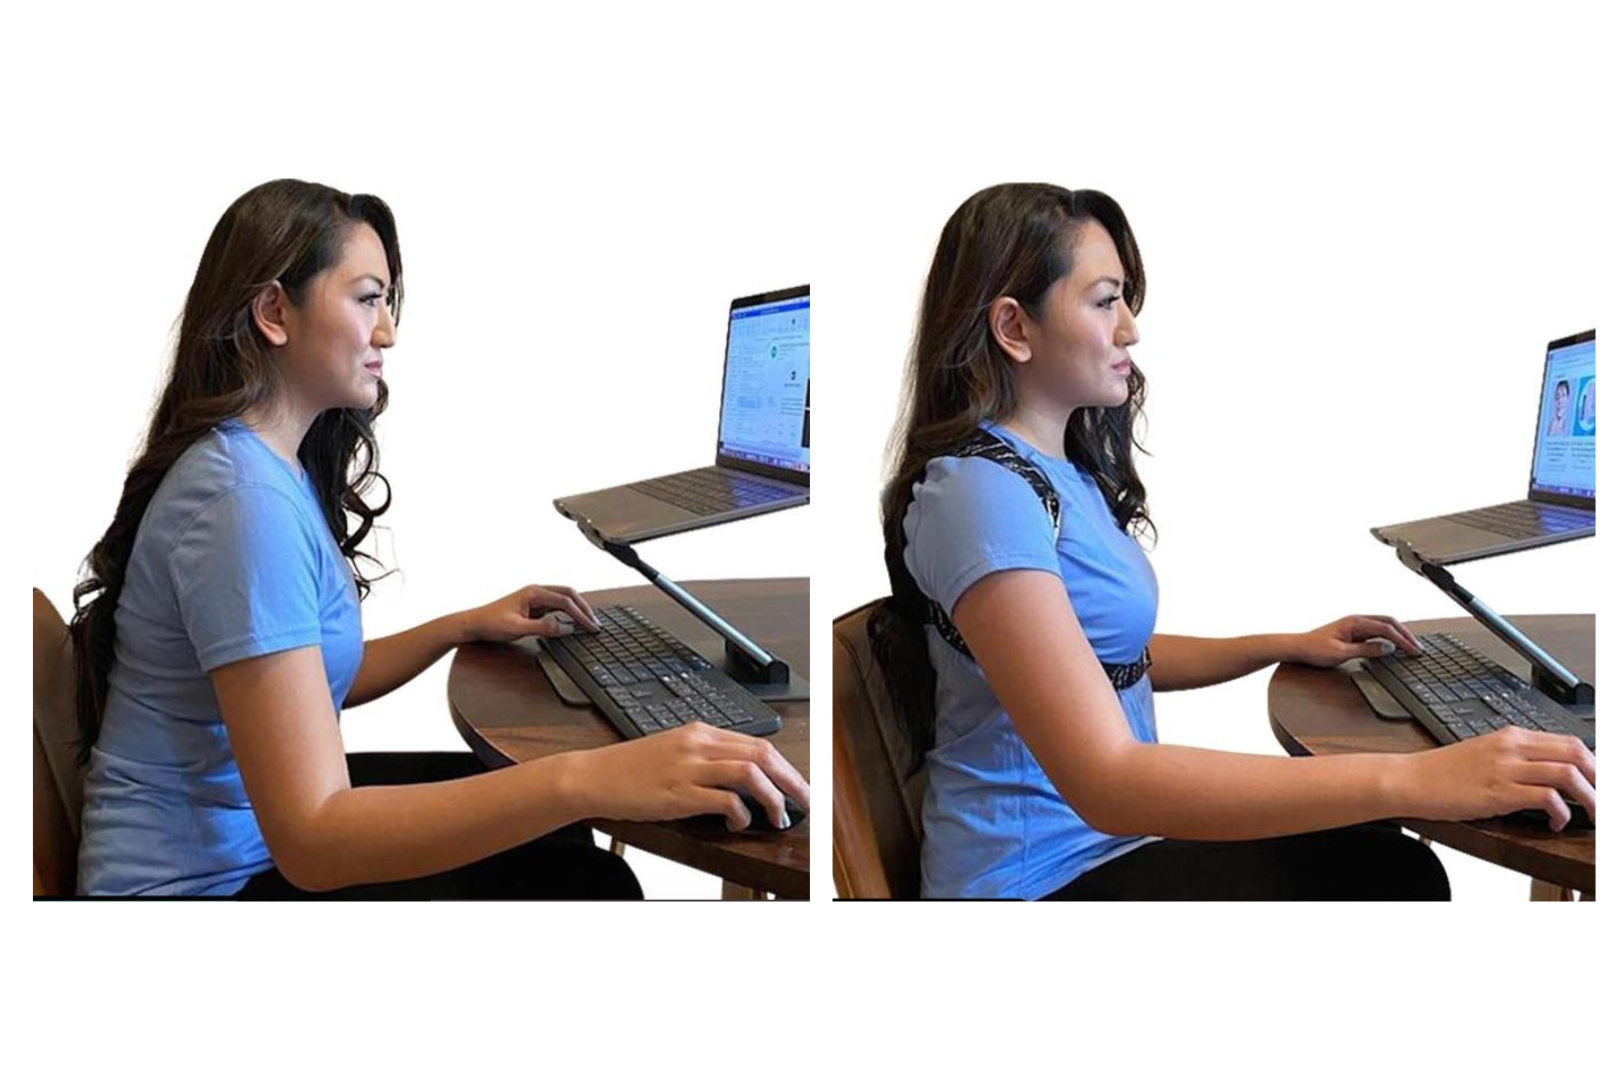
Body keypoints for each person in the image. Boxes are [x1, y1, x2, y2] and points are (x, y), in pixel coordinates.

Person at [70, 179, 809, 898]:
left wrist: (461, 626)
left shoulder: (262, 466)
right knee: (589, 878)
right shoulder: (242, 502)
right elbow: (315, 841)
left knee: (556, 837)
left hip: (245, 843)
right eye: (367, 299)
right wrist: (588, 779)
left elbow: (308, 677)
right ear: (274, 311)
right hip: (202, 887)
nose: (388, 331)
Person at [870, 183, 1595, 900]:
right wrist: (1418, 780)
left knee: (1380, 861)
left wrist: (1280, 645)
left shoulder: (1058, 476)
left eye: (1125, 299)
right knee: (1392, 875)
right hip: (1038, 878)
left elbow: (1101, 657)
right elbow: (1108, 781)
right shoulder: (980, 492)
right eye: (1103, 300)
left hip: (1106, 845)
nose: (1130, 329)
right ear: (1014, 328)